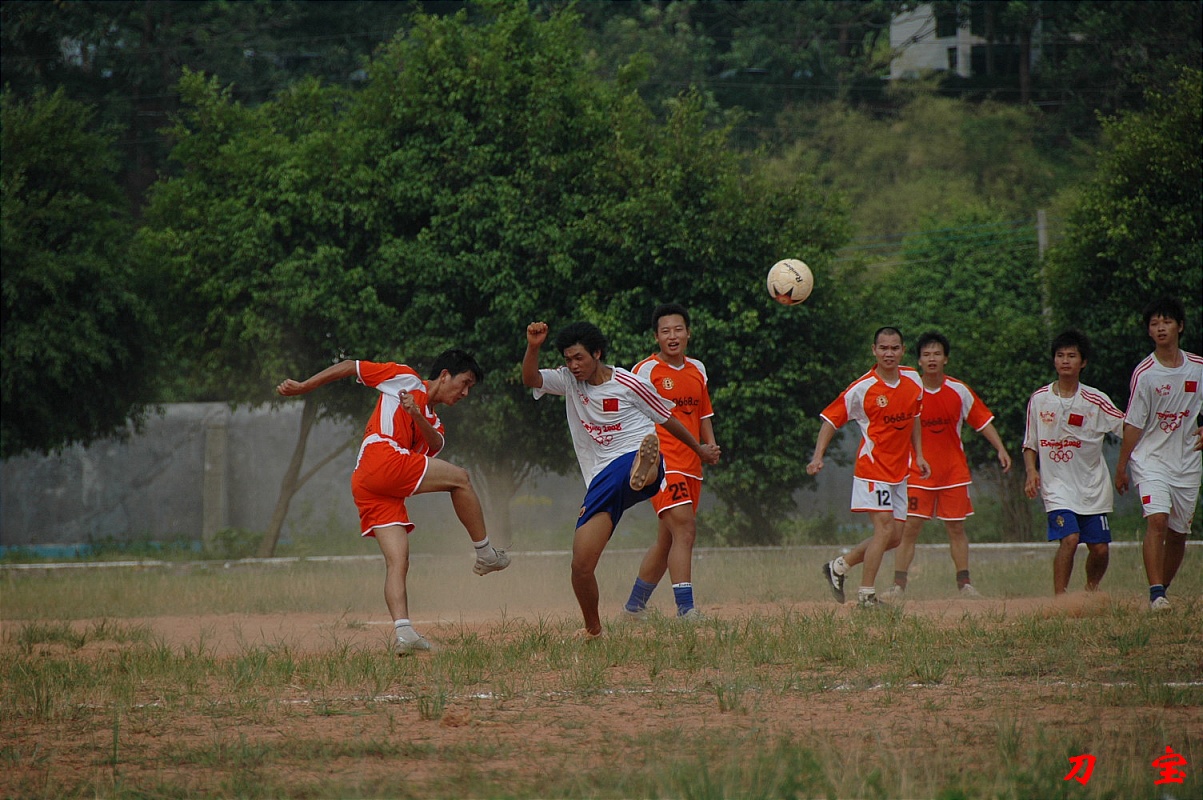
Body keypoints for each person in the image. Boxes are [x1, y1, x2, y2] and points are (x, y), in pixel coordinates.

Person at [276, 351, 510, 655]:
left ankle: (404, 632)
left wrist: (416, 414)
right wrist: (305, 386)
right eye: (464, 383)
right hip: (381, 456)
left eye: (470, 388)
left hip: (369, 483)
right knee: (461, 479)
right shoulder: (405, 378)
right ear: (444, 375)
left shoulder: (435, 422)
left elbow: (435, 444)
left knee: (398, 561)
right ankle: (486, 553)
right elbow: (349, 366)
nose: (465, 393)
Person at [522, 320, 720, 638]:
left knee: (638, 465)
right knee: (581, 565)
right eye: (568, 359)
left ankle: (647, 467)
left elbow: (667, 418)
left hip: (633, 455)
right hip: (602, 479)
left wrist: (698, 448)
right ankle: (594, 630)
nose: (573, 365)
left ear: (597, 353)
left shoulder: (630, 383)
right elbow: (530, 379)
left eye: (579, 358)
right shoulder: (568, 381)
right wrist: (533, 347)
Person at [883, 331, 1012, 600]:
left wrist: (1000, 448)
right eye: (926, 354)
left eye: (937, 354)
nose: (932, 359)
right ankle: (898, 586)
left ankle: (964, 584)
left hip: (953, 472)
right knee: (909, 528)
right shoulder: (909, 390)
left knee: (956, 528)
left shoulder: (959, 390)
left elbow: (982, 420)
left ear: (946, 359)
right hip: (917, 472)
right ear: (919, 360)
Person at [810, 327, 930, 608]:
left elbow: (914, 417)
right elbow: (830, 419)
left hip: (900, 471)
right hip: (873, 470)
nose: (889, 353)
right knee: (885, 530)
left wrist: (920, 455)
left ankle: (839, 566)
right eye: (883, 348)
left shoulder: (913, 379)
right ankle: (866, 596)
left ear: (903, 351)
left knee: (895, 537)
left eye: (895, 348)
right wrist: (817, 456)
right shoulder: (862, 388)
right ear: (874, 350)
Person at [623, 304, 719, 621]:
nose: (672, 336)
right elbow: (629, 412)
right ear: (656, 337)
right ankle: (685, 609)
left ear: (688, 333)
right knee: (686, 530)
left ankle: (634, 607)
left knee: (668, 542)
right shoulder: (645, 370)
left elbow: (703, 413)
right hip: (663, 464)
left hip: (693, 465)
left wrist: (709, 446)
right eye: (665, 331)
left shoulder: (698, 369)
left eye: (678, 329)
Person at [1114, 297, 1203, 612]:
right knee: (1157, 520)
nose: (1161, 328)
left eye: (1166, 322)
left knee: (1178, 534)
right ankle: (1155, 594)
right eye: (1154, 324)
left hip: (1188, 462)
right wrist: (1121, 466)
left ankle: (1162, 590)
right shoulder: (1145, 373)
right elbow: (1133, 424)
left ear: (1180, 326)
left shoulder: (1198, 367)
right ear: (1149, 331)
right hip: (1150, 460)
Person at [1022, 330, 1124, 595]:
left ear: (1083, 362)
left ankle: (1090, 592)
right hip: (1057, 487)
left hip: (1092, 487)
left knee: (1100, 549)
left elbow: (1128, 428)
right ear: (1054, 360)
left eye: (1071, 355)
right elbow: (1030, 443)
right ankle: (1061, 599)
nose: (1065, 361)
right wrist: (1032, 471)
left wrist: (1124, 466)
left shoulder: (1095, 400)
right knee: (1069, 538)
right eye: (1060, 355)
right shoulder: (1039, 399)